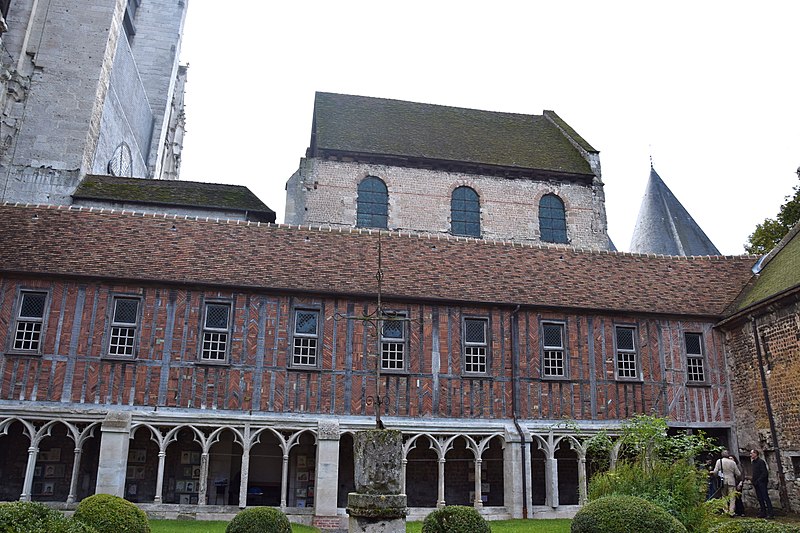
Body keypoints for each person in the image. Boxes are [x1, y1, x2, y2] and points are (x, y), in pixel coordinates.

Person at [712, 449, 741, 516]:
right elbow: (738, 473)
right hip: (731, 481)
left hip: (723, 481)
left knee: (724, 496)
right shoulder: (732, 462)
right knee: (732, 497)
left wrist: (717, 476)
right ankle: (731, 512)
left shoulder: (719, 461)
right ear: (728, 455)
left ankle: (725, 510)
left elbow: (715, 471)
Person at [750, 449, 774, 519]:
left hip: (762, 482)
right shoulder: (753, 462)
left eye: (751, 453)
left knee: (765, 497)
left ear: (755, 454)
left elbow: (764, 473)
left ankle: (770, 513)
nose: (750, 455)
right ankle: (763, 512)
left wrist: (759, 480)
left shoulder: (761, 462)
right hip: (756, 483)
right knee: (760, 498)